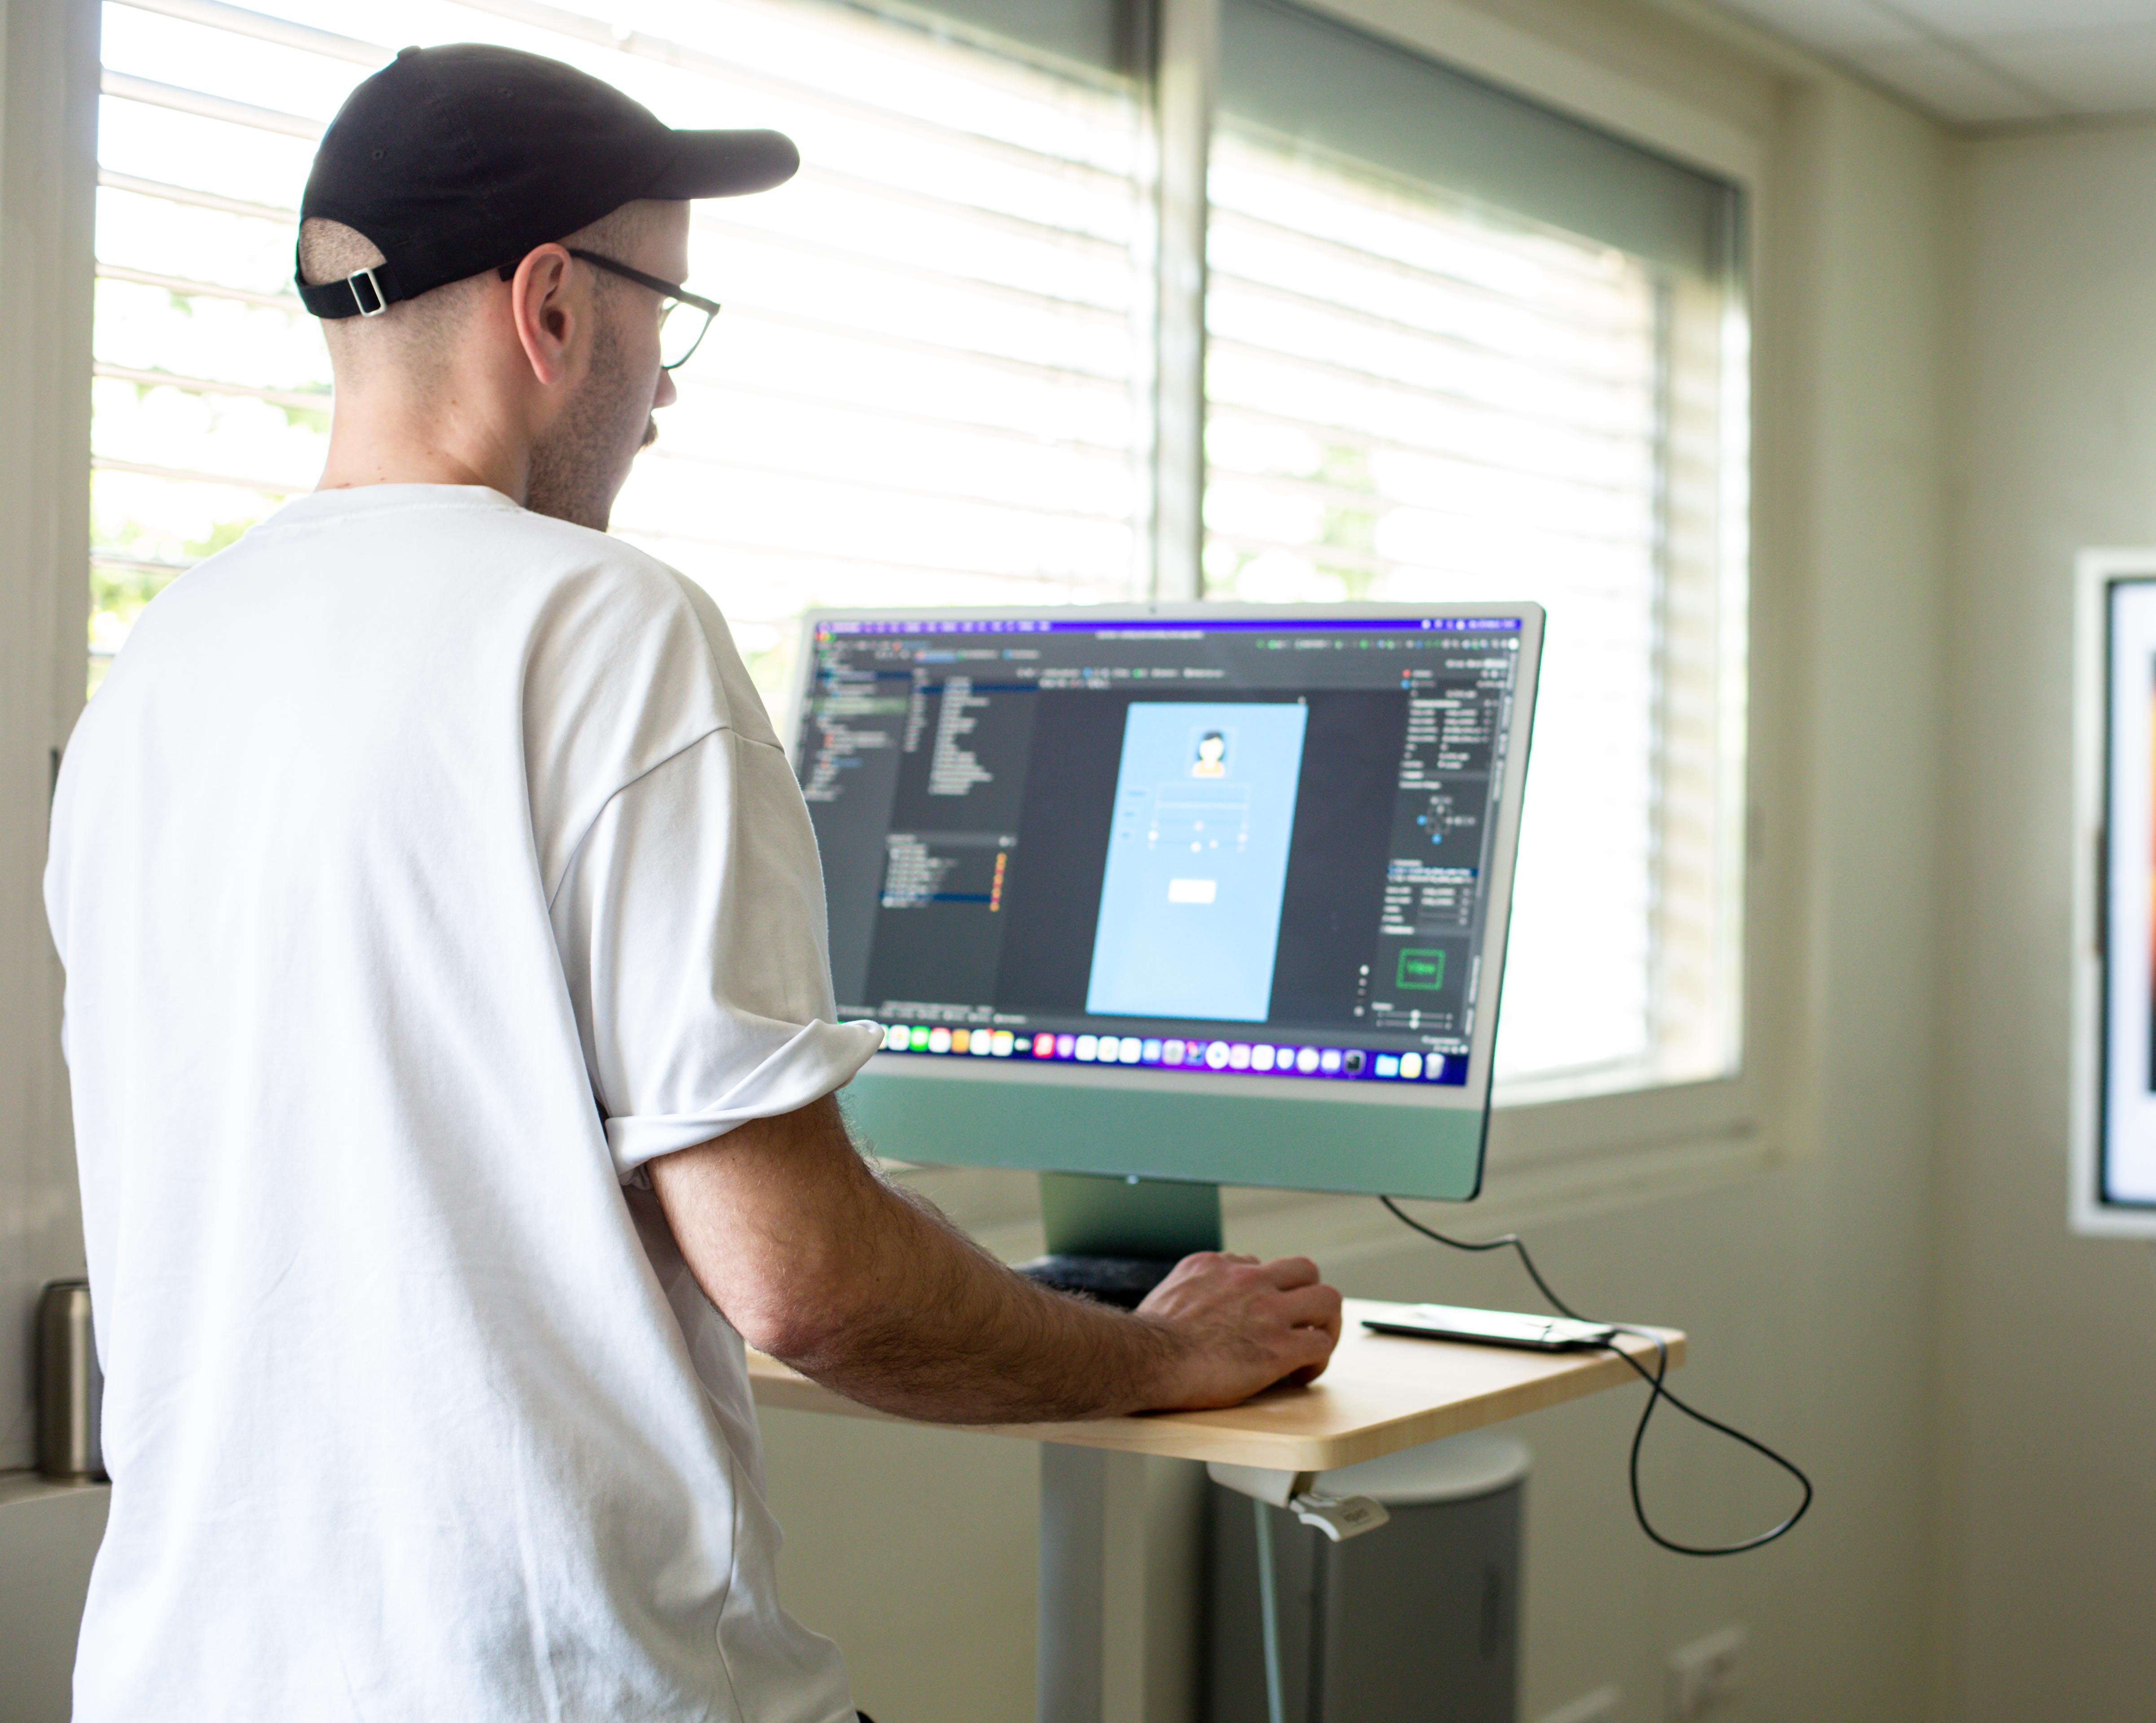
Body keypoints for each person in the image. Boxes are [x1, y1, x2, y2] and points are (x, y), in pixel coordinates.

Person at [44, 43, 1339, 1723]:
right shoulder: (603, 626)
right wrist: (1165, 1354)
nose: (666, 388)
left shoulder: (155, 677)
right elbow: (810, 1284)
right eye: (669, 311)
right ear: (552, 306)